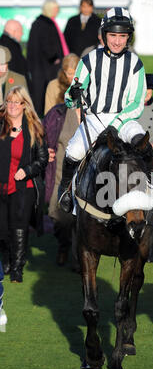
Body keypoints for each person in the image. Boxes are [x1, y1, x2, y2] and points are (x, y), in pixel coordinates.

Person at [58, 7, 152, 213]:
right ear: (103, 35)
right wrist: (73, 96)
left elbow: (136, 103)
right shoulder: (88, 60)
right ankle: (65, 190)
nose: (117, 41)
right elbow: (71, 98)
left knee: (144, 146)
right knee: (73, 151)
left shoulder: (136, 63)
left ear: (129, 37)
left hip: (125, 119)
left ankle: (152, 188)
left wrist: (116, 125)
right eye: (113, 35)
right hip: (94, 119)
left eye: (122, 36)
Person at [0, 86, 48, 283]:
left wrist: (27, 170)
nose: (12, 106)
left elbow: (42, 159)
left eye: (16, 102)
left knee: (18, 226)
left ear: (24, 105)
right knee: (2, 227)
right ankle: (7, 261)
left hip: (23, 186)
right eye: (9, 101)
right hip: (2, 184)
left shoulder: (34, 128)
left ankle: (17, 267)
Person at [43, 102, 80, 271]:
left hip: (86, 176)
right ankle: (64, 245)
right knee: (57, 214)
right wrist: (44, 150)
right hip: (60, 173)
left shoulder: (96, 113)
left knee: (82, 219)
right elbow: (40, 133)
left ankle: (78, 257)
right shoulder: (58, 113)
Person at [27, 0, 69, 117]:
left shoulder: (39, 23)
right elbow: (47, 45)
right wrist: (54, 57)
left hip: (40, 67)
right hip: (46, 68)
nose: (57, 11)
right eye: (55, 9)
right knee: (45, 94)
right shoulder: (46, 24)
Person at [0, 20, 31, 89]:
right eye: (21, 31)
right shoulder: (11, 48)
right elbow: (17, 70)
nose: (22, 34)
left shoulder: (6, 44)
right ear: (14, 31)